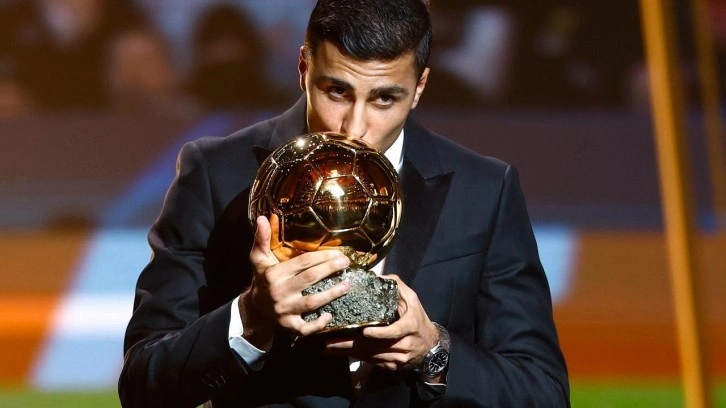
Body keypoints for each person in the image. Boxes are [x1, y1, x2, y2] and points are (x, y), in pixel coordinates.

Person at [119, 0, 570, 406]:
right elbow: (142, 384)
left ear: (419, 87)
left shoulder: (485, 190)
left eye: (384, 98)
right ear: (303, 67)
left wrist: (432, 350)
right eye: (336, 91)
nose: (354, 127)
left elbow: (543, 391)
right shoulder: (215, 174)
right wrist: (251, 317)